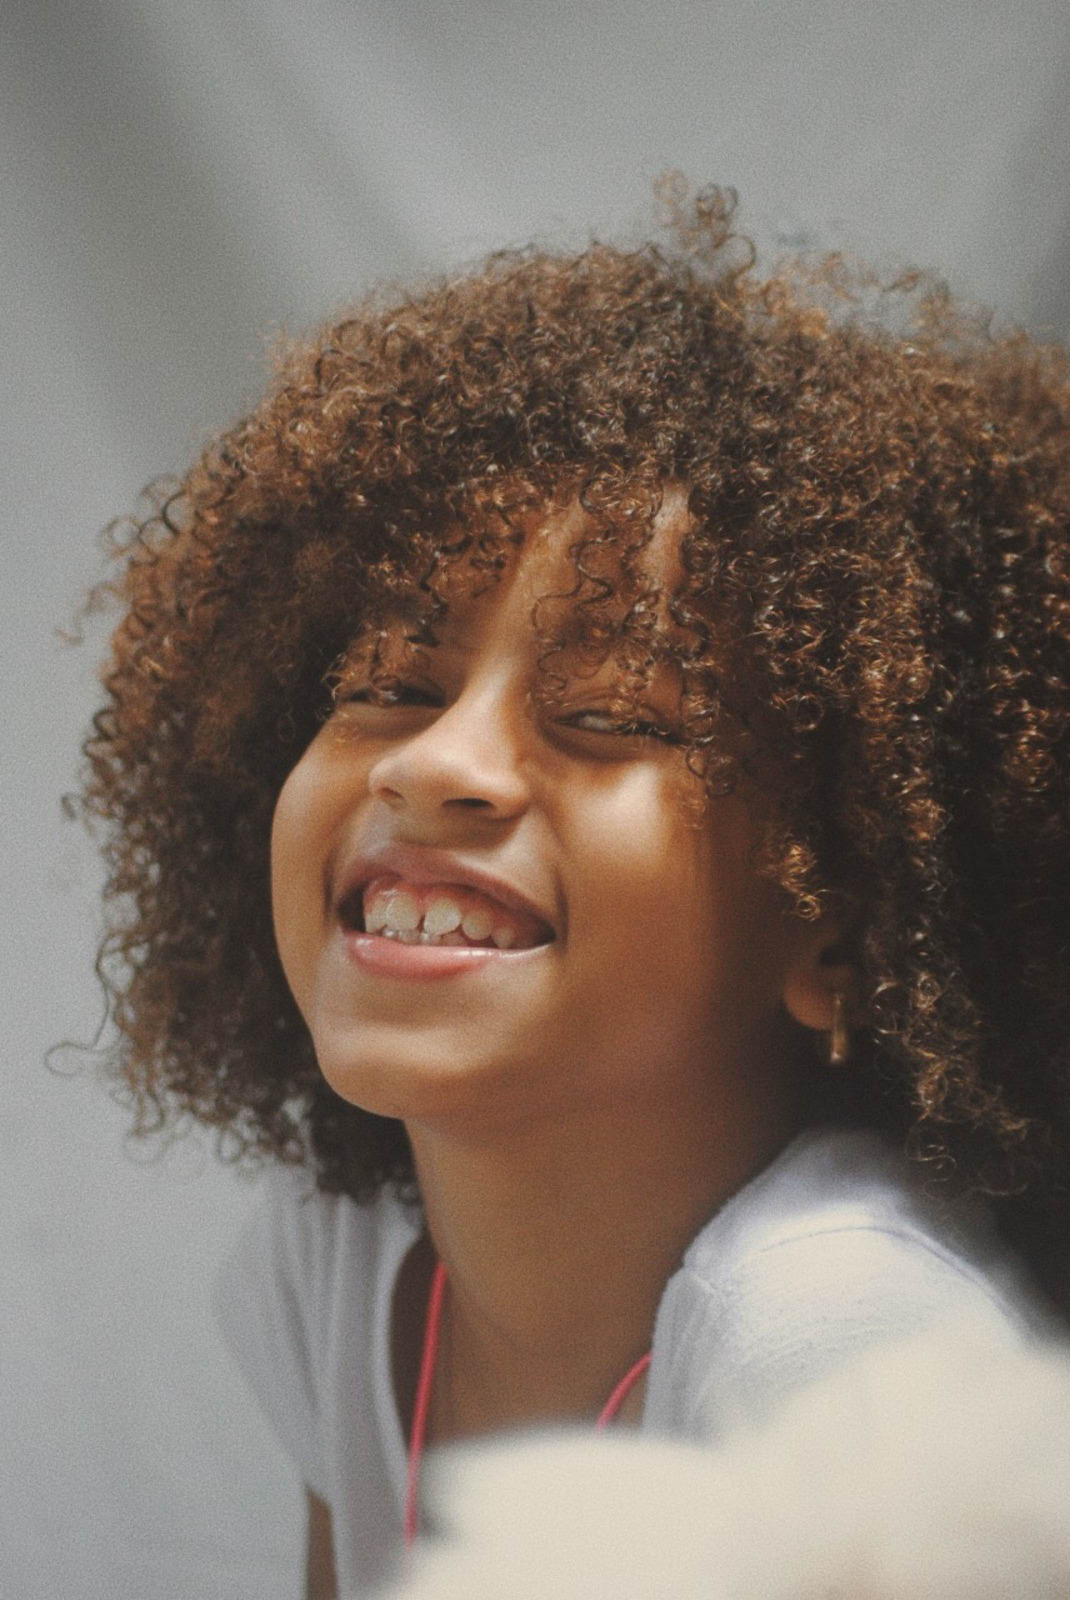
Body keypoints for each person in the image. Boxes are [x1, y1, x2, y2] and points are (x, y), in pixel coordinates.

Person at [75, 182, 1070, 1599]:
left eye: (616, 713)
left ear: (845, 928)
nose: (435, 764)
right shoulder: (339, 1268)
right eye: (386, 686)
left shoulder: (841, 1355)